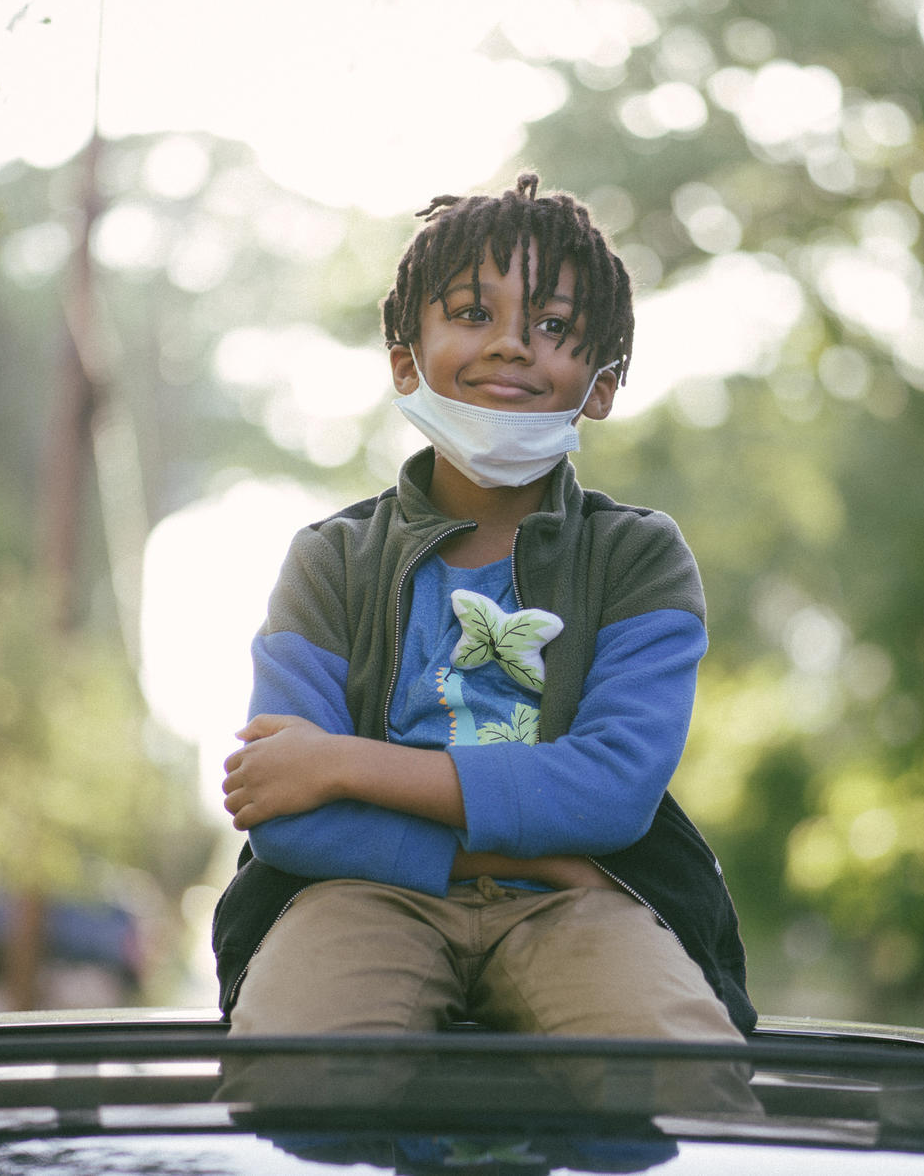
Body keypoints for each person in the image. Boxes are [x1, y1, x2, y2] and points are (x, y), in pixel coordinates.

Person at [213, 174, 757, 1088]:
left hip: (582, 915)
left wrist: (344, 764)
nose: (511, 343)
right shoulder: (328, 562)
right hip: (360, 899)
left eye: (552, 326)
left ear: (602, 386)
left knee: (687, 1084)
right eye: (472, 312)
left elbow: (612, 791)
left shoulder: (639, 558)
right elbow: (284, 816)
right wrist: (541, 854)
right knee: (293, 1081)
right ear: (403, 360)